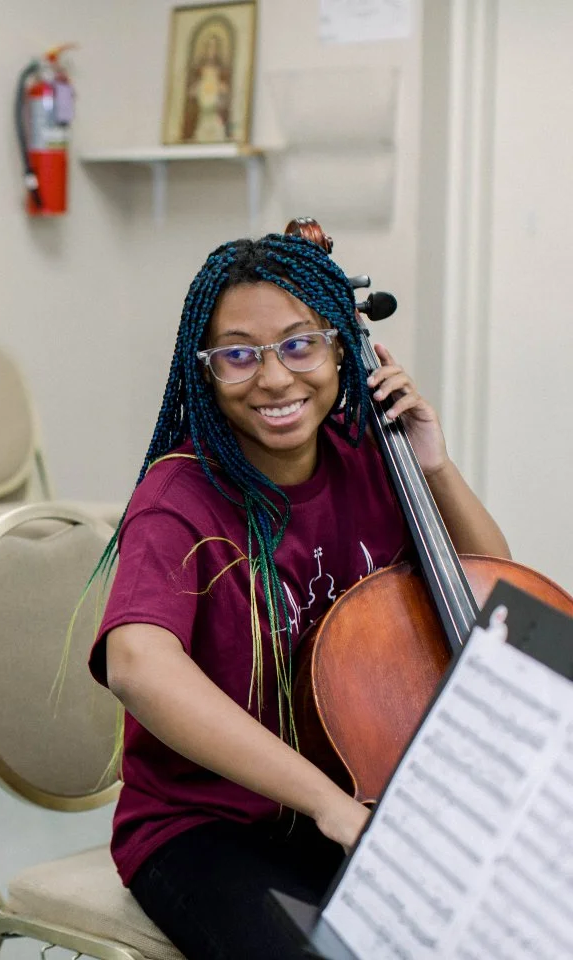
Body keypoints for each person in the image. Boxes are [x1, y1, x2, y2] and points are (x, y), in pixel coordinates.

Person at [85, 231, 509, 959]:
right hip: (206, 826)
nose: (275, 379)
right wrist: (329, 807)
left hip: (359, 801)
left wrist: (433, 465)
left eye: (300, 344)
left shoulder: (373, 461)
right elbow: (137, 665)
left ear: (343, 349)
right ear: (207, 373)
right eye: (239, 354)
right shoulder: (178, 496)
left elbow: (488, 600)